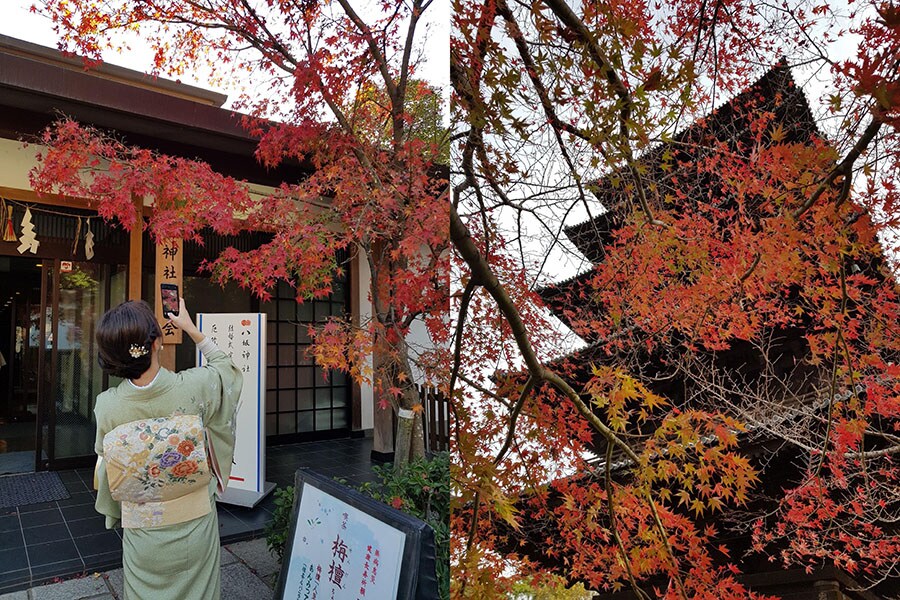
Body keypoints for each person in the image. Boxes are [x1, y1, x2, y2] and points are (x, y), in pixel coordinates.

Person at [92, 299, 242, 600]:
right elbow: (228, 371)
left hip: (143, 532)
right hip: (195, 525)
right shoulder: (195, 386)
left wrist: (114, 511)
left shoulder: (107, 405)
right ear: (157, 341)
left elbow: (105, 466)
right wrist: (191, 329)